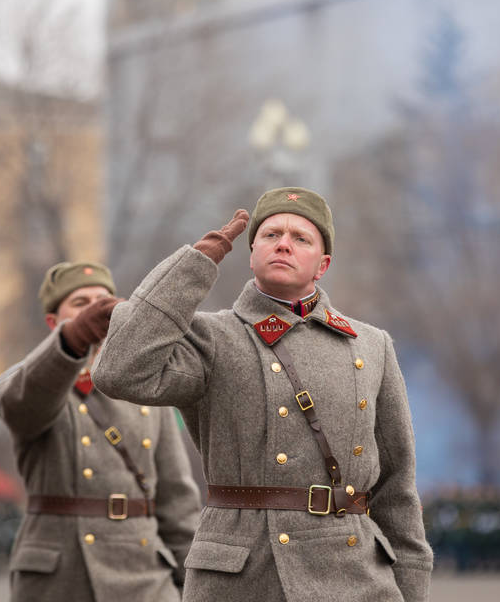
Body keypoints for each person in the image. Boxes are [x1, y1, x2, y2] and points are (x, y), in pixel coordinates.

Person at [92, 187, 434, 601]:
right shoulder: (212, 337)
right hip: (242, 574)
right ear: (252, 252)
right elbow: (118, 372)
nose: (284, 243)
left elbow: (397, 488)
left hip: (353, 574)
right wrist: (195, 264)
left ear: (322, 264)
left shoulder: (370, 344)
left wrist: (413, 589)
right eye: (271, 235)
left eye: (301, 238)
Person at [0, 260, 201, 602]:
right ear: (52, 322)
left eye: (103, 300)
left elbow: (176, 501)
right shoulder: (34, 383)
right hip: (61, 578)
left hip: (143, 577)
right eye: (79, 304)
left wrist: (191, 582)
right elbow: (21, 407)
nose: (95, 311)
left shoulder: (144, 387)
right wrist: (71, 341)